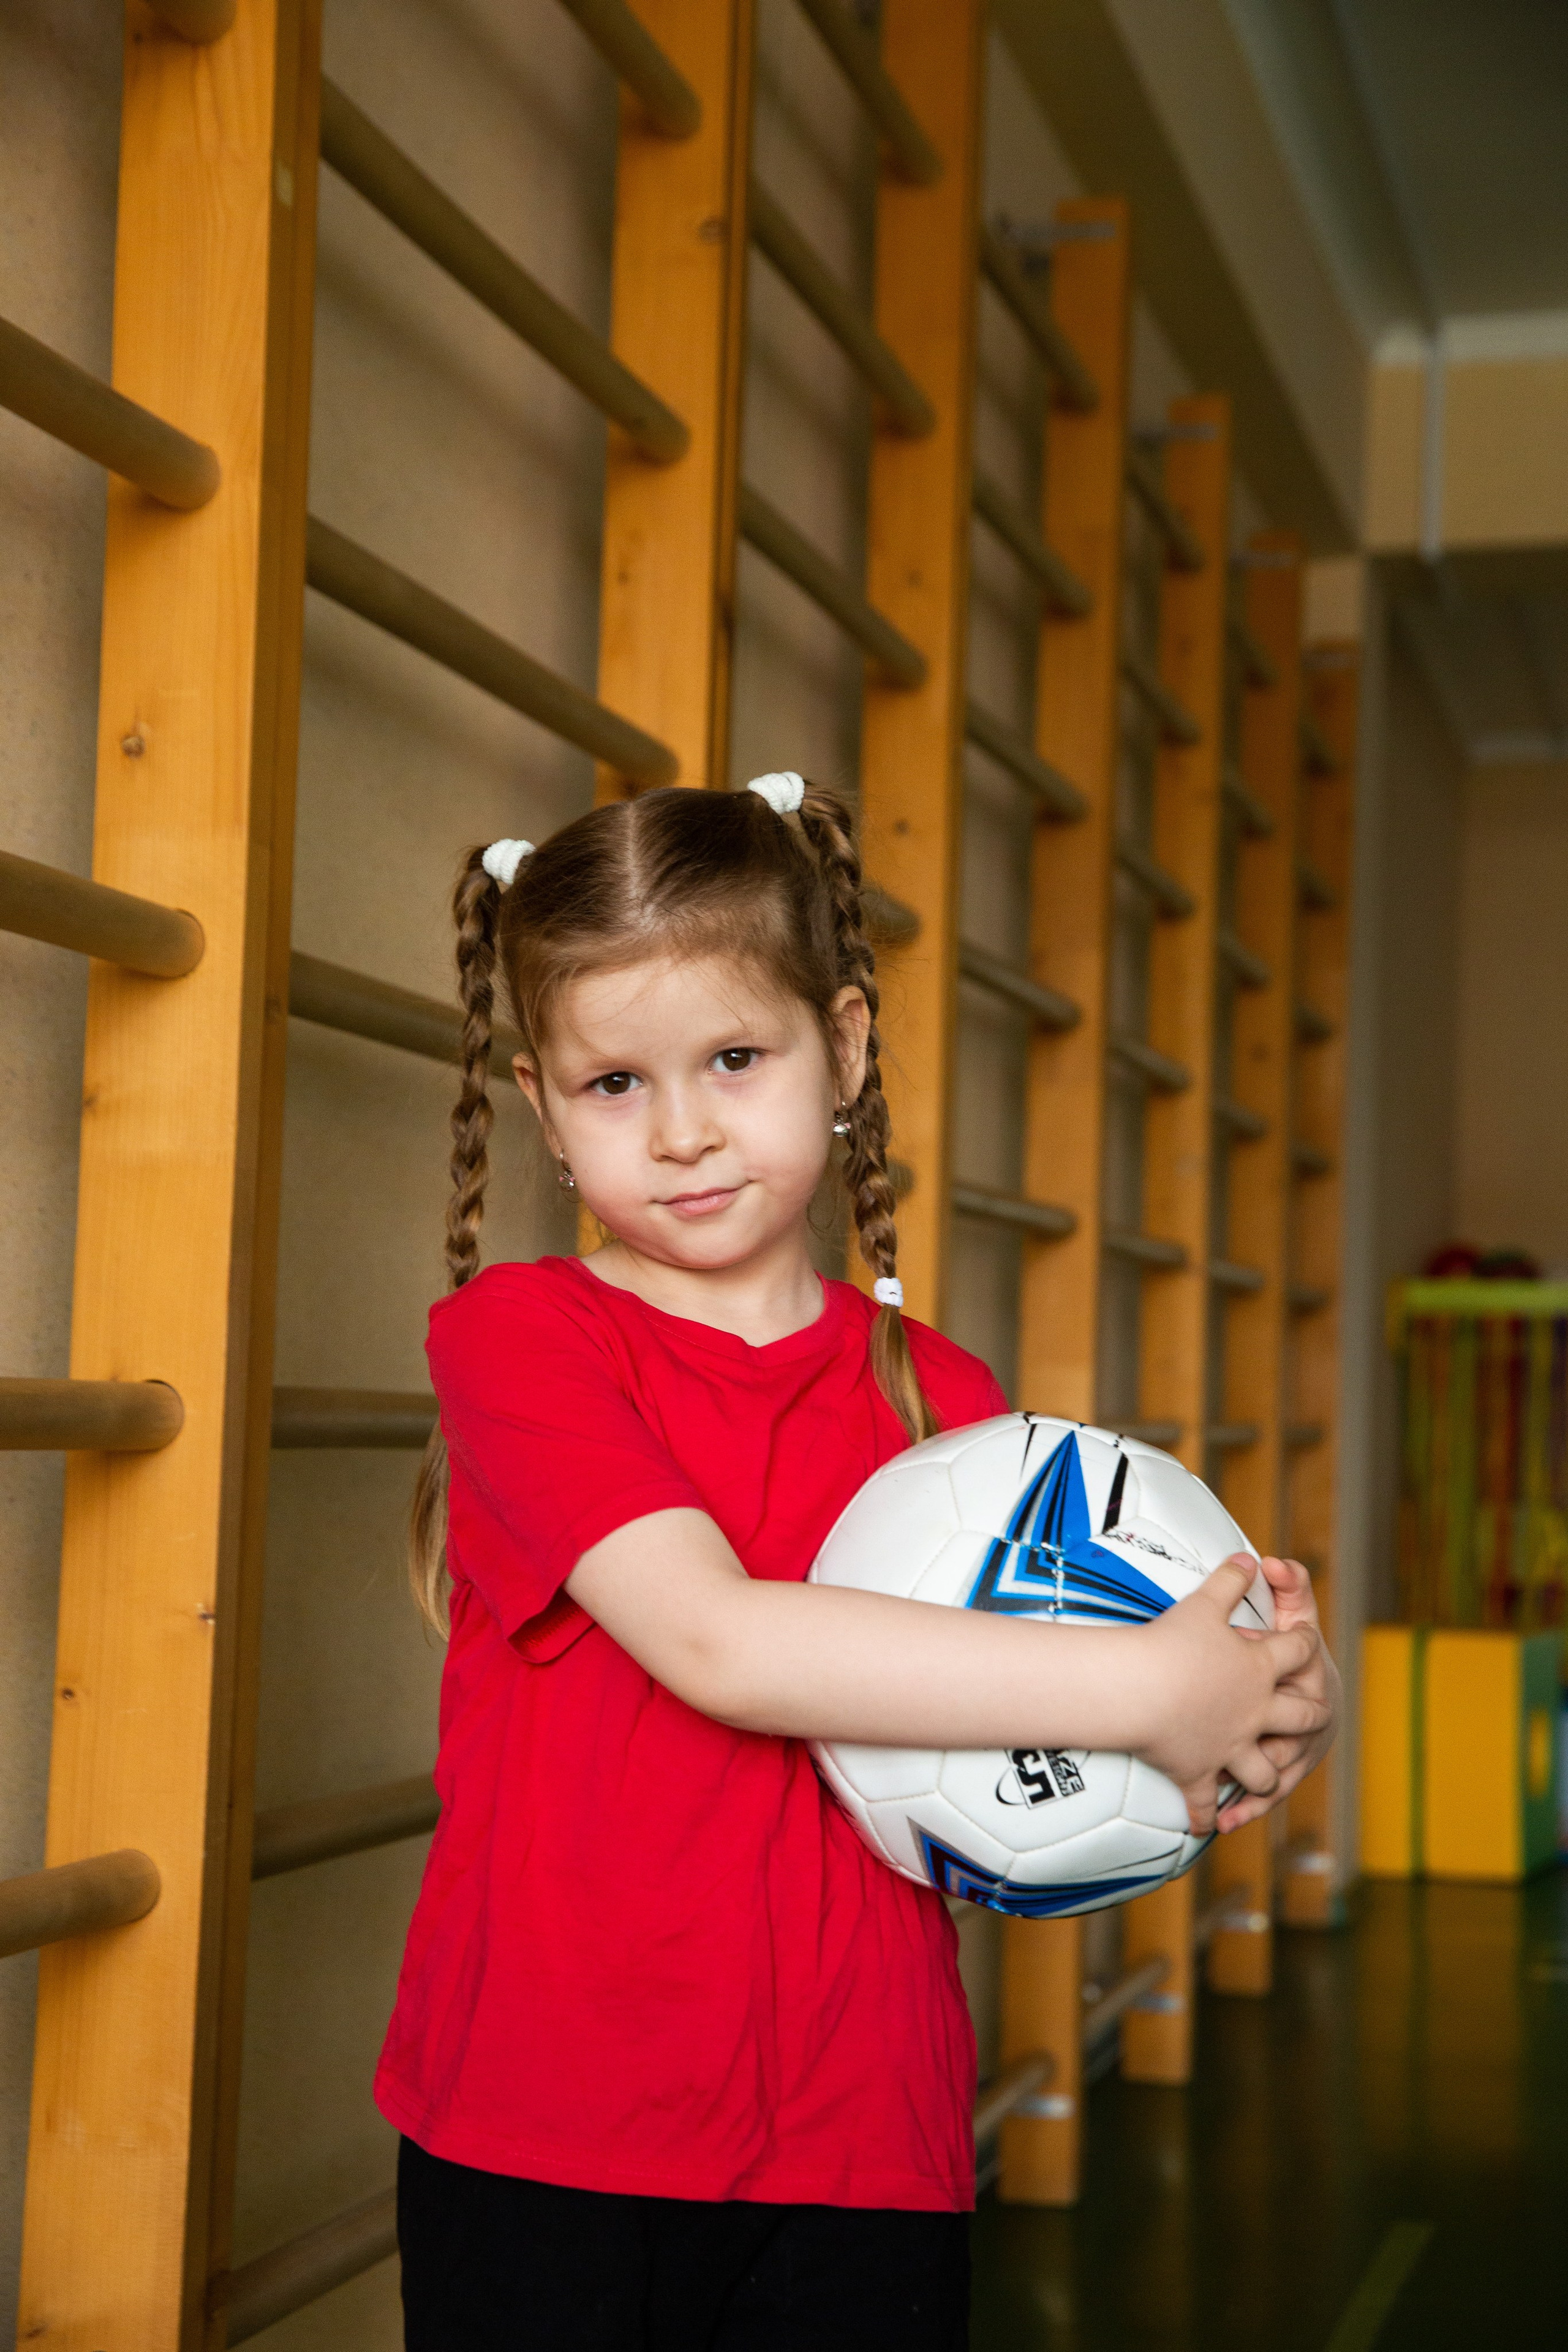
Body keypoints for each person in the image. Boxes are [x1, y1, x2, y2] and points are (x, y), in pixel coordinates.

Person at [377, 772, 1337, 2351]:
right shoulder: (521, 1341)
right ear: (543, 1109)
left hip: (864, 2136)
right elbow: (720, 1643)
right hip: (543, 2132)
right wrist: (1154, 1687)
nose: (682, 1130)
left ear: (845, 1045)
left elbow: (1074, 1739)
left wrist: (1264, 1699)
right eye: (614, 1083)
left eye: (734, 1059)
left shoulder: (952, 1412)